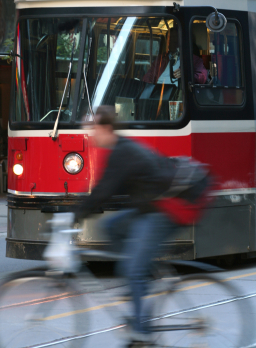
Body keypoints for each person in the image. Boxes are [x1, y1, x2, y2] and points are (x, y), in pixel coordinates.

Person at [76, 106, 189, 347]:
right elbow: (106, 189)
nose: (91, 135)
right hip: (147, 207)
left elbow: (103, 192)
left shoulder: (121, 152)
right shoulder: (119, 148)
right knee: (112, 226)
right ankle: (138, 276)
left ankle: (142, 333)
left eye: (93, 129)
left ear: (105, 128)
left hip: (162, 211)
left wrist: (73, 215)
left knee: (133, 270)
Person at [143, 27, 208, 85]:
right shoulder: (161, 59)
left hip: (178, 94)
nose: (174, 41)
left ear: (182, 41)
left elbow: (203, 77)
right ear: (167, 42)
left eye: (176, 38)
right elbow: (149, 75)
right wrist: (148, 86)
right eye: (171, 38)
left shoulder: (193, 59)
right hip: (159, 92)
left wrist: (185, 74)